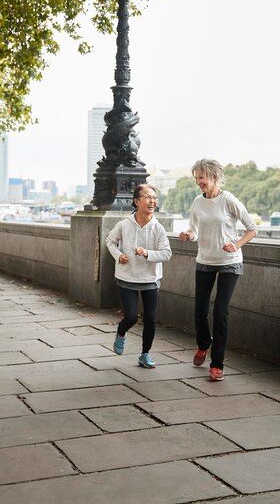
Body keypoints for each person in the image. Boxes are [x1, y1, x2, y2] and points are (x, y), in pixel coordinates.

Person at [179, 159, 257, 381]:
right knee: (200, 311)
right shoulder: (197, 202)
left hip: (229, 261)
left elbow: (252, 229)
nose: (198, 182)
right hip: (205, 260)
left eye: (201, 178)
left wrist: (236, 244)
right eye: (196, 178)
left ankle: (217, 365)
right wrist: (188, 235)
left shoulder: (228, 200)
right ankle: (203, 344)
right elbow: (193, 230)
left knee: (220, 311)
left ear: (213, 177)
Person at [106, 184, 172, 368]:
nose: (152, 201)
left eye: (155, 198)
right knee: (132, 317)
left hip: (150, 279)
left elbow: (166, 253)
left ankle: (145, 354)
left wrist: (147, 253)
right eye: (147, 197)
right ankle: (121, 331)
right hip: (127, 278)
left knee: (150, 319)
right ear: (136, 201)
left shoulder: (157, 228)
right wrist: (119, 256)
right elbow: (110, 241)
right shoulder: (123, 225)